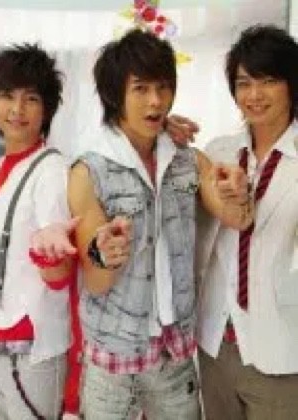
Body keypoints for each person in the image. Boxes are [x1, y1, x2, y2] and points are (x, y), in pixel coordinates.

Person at [67, 28, 252, 420]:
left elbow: (237, 217)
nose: (155, 101)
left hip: (173, 356)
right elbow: (95, 281)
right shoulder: (89, 171)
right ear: (115, 94)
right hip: (113, 360)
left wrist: (236, 191)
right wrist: (104, 255)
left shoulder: (189, 160)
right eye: (141, 89)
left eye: (163, 87)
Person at [195, 24, 298, 420]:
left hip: (281, 349)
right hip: (215, 343)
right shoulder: (219, 152)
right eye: (244, 83)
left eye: (268, 81)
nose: (254, 95)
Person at [0, 43, 78, 420]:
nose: (17, 109)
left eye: (31, 98)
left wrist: (51, 254)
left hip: (28, 351)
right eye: (7, 96)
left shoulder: (51, 170)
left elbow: (59, 272)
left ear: (46, 109)